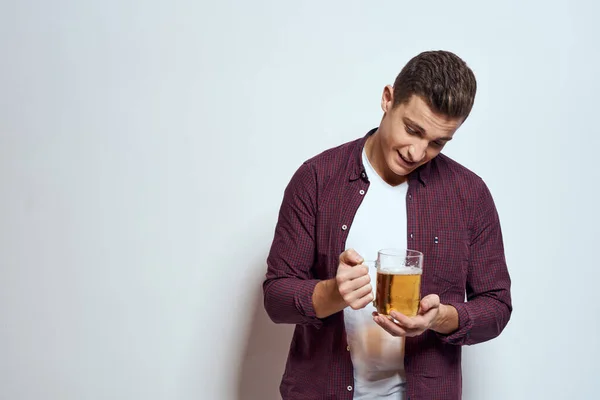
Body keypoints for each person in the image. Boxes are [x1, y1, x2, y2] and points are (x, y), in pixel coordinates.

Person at [262, 50, 512, 400]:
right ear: (387, 99)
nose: (417, 152)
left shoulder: (469, 194)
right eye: (412, 129)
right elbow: (276, 298)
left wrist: (440, 318)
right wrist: (332, 293)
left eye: (437, 142)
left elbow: (497, 306)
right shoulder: (317, 179)